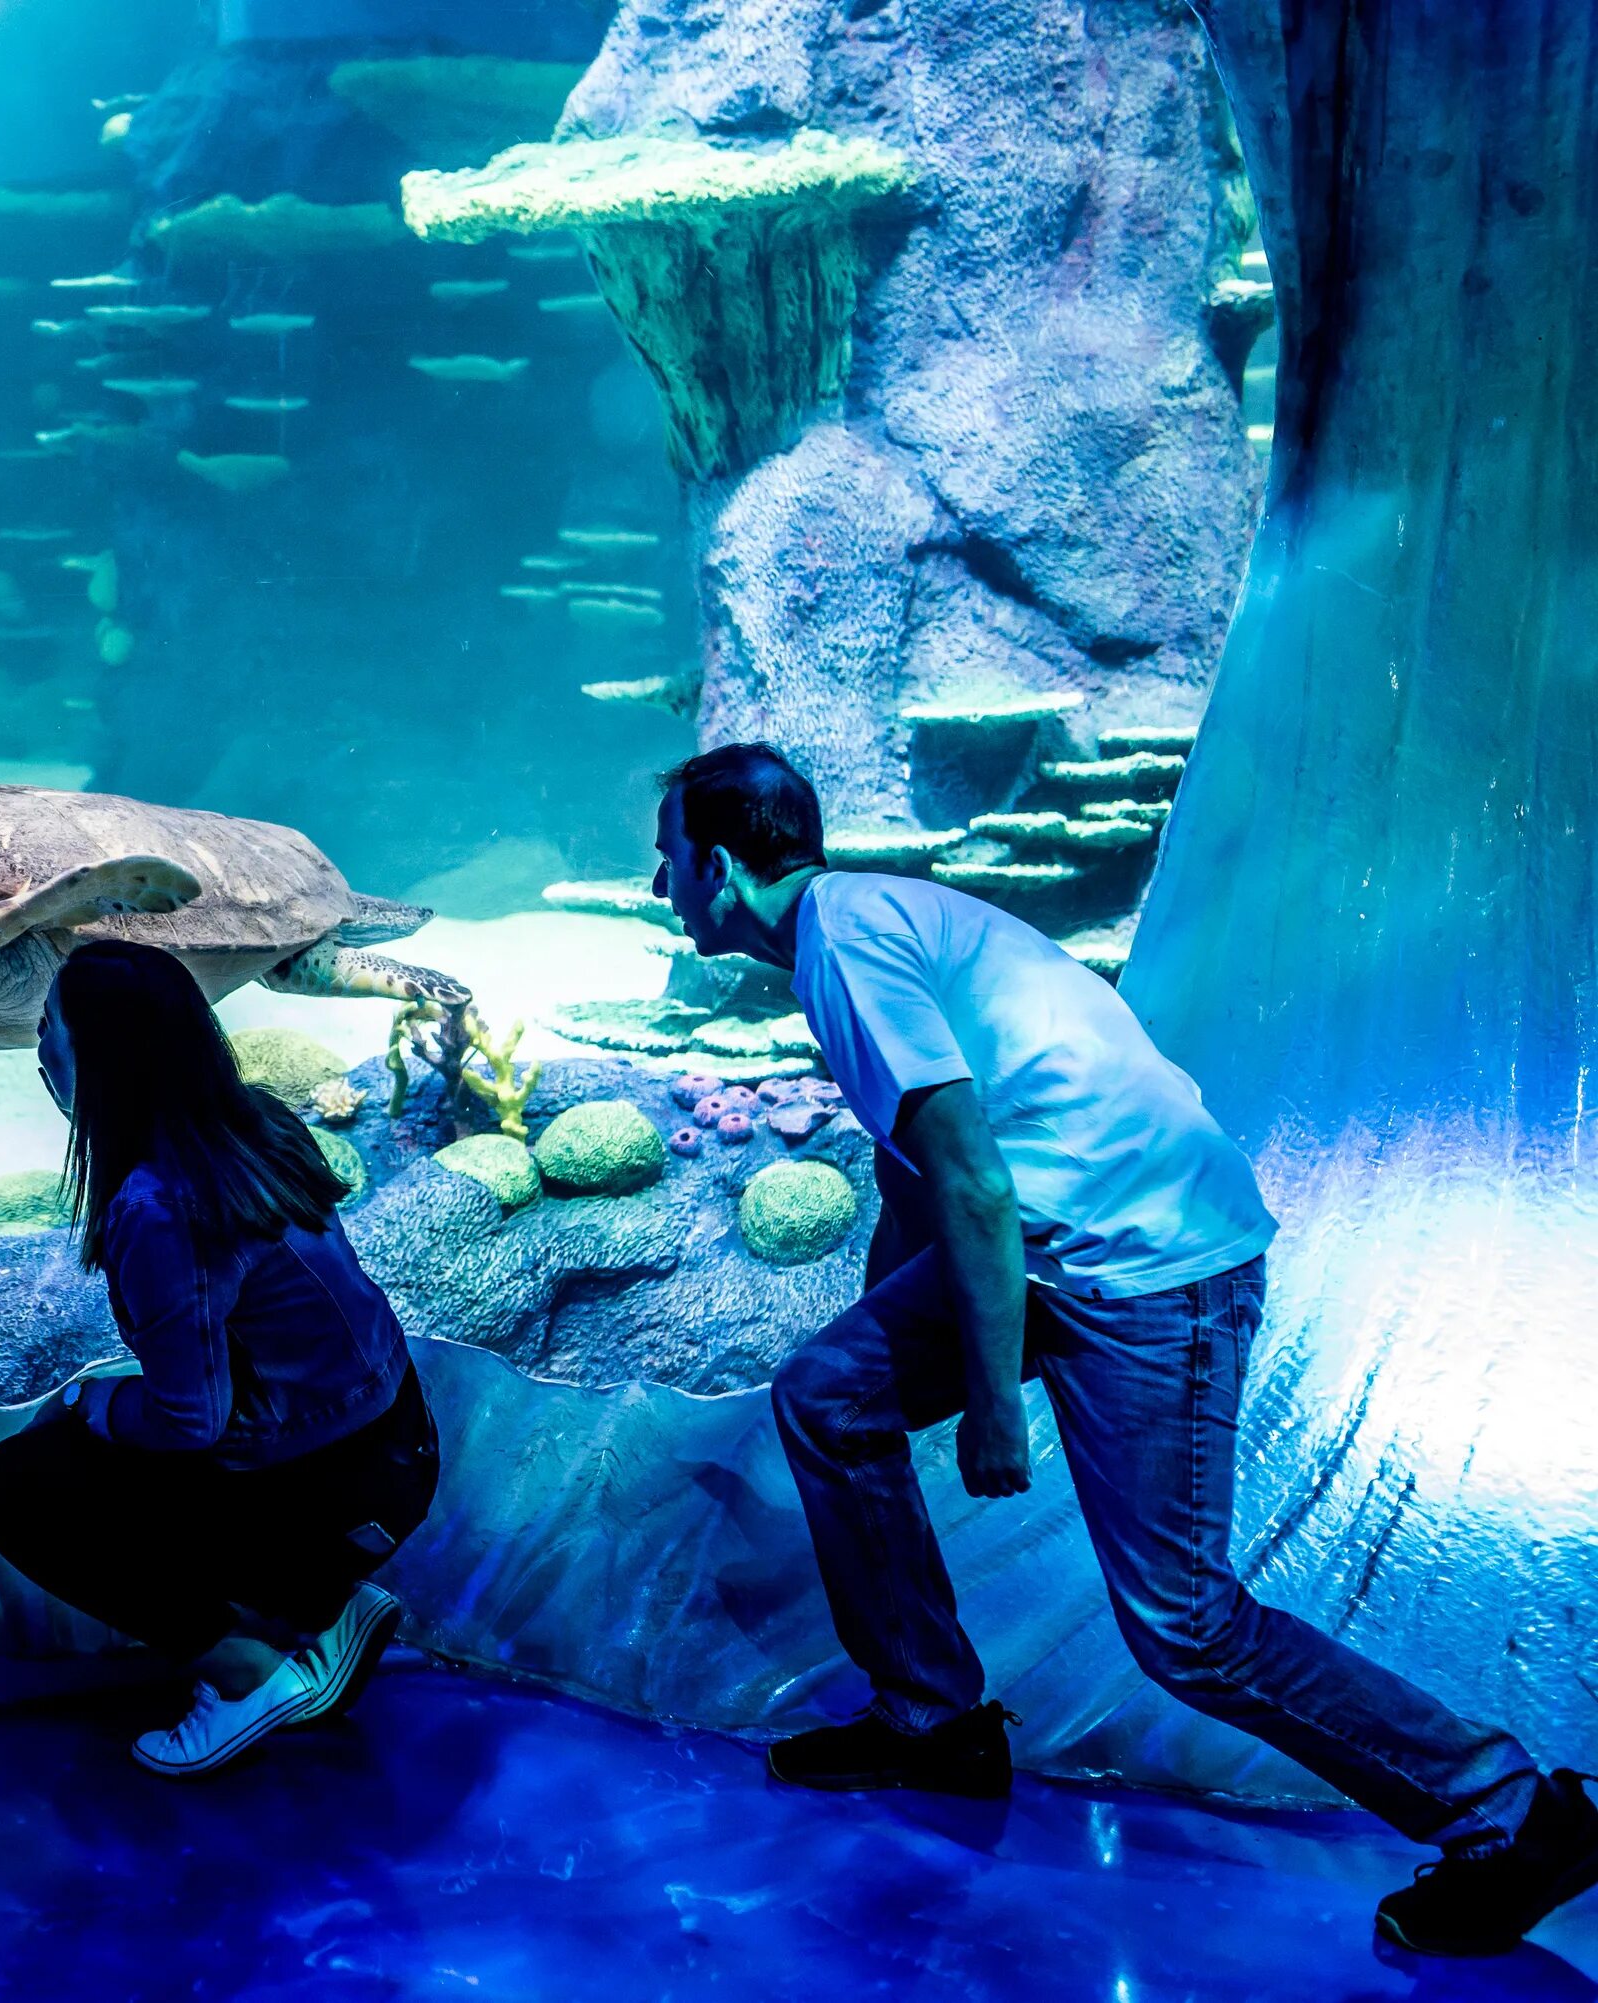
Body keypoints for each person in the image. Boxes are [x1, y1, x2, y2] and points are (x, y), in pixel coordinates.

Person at [652, 743, 1597, 1958]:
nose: (659, 886)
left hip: (1151, 1262)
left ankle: (1512, 1813)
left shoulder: (845, 942)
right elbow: (928, 1168)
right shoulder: (856, 925)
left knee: (1186, 1627)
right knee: (831, 1393)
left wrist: (990, 1399)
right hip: (1063, 1228)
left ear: (721, 866)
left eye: (668, 859)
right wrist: (891, 1327)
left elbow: (976, 1184)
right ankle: (934, 1719)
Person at [0, 939, 440, 1776]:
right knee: (104, 1426)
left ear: (102, 1054)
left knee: (22, 1484)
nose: (38, 1044)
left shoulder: (158, 1202)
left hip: (336, 1482)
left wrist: (93, 1409)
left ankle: (248, 1677)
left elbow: (191, 1424)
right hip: (398, 1450)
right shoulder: (252, 1119)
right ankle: (319, 1607)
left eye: (50, 1025)